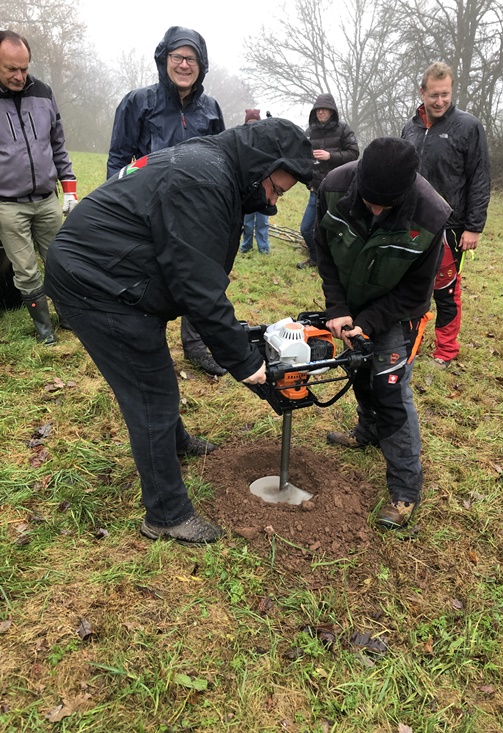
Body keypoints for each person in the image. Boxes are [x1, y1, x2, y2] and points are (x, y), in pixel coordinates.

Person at [44, 118, 313, 546]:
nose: (273, 203)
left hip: (118, 273)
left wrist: (237, 339)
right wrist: (247, 364)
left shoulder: (214, 168)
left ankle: (176, 442)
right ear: (262, 165)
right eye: (276, 190)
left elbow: (196, 273)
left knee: (153, 374)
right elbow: (198, 286)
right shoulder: (203, 179)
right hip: (95, 282)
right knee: (150, 392)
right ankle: (166, 514)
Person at [316, 137, 451, 529]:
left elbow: (415, 292)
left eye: (384, 205)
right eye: (370, 201)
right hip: (351, 299)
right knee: (359, 368)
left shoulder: (430, 215)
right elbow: (323, 252)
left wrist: (371, 321)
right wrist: (338, 309)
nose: (375, 210)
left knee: (390, 389)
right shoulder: (334, 187)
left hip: (397, 312)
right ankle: (366, 431)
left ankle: (405, 491)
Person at [107, 26, 227, 377]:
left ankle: (196, 346)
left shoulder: (211, 108)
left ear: (202, 65)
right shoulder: (138, 102)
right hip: (148, 210)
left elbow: (221, 160)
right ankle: (149, 351)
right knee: (151, 280)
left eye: (191, 58)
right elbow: (119, 159)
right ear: (164, 59)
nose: (184, 65)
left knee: (199, 279)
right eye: (177, 57)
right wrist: (120, 208)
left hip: (196, 214)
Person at [402, 61, 491, 368]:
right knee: (409, 286)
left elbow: (480, 177)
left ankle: (446, 350)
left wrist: (474, 227)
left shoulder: (468, 127)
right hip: (413, 223)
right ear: (422, 92)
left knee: (446, 291)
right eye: (434, 95)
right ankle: (406, 341)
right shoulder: (409, 128)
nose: (440, 101)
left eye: (446, 94)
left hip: (450, 227)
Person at [0, 29, 77, 345]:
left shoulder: (44, 93)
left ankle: (70, 319)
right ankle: (46, 333)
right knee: (27, 272)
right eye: (11, 69)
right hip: (8, 205)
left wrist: (69, 188)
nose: (20, 76)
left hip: (46, 199)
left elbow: (57, 143)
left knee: (61, 262)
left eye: (24, 68)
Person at [298, 93, 359, 269]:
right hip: (315, 189)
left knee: (332, 229)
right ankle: (315, 258)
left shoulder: (344, 129)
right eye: (318, 109)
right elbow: (303, 157)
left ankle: (333, 264)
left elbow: (354, 154)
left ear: (332, 112)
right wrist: (308, 180)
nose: (321, 112)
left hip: (337, 190)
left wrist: (330, 156)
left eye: (325, 109)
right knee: (306, 228)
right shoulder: (309, 132)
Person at [240, 110, 270, 255]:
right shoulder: (241, 140)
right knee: (247, 220)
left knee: (263, 220)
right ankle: (246, 246)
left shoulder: (266, 140)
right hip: (247, 186)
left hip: (264, 185)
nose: (252, 126)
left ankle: (263, 247)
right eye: (249, 123)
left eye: (255, 123)